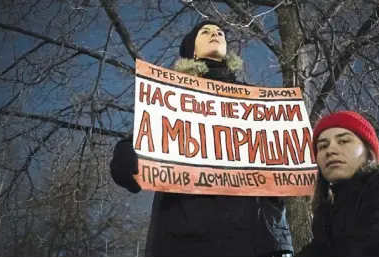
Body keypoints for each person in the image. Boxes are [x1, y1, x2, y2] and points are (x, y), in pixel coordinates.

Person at [110, 21, 294, 257]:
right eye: (205, 32)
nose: (215, 34)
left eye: (219, 33)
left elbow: (286, 150)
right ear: (192, 50)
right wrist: (125, 153)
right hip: (188, 233)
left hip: (259, 234)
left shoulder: (258, 103)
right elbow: (146, 134)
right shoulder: (171, 98)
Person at [297, 111, 379, 256]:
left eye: (344, 141)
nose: (330, 151)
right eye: (322, 146)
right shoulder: (327, 214)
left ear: (367, 150)